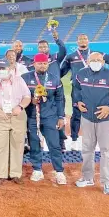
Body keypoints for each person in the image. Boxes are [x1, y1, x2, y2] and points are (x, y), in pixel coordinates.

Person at [61, 34, 109, 151]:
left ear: (88, 41)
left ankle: (98, 140)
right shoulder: (71, 56)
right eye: (80, 38)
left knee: (97, 111)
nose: (83, 40)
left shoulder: (97, 54)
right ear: (77, 41)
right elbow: (61, 71)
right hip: (78, 88)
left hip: (97, 87)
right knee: (76, 114)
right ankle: (74, 140)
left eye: (85, 38)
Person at [73, 52, 109, 195]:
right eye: (93, 60)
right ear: (87, 61)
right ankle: (87, 178)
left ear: (104, 62)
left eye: (99, 60)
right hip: (87, 118)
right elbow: (76, 89)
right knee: (87, 149)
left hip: (106, 119)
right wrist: (77, 102)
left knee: (106, 151)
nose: (96, 62)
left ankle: (106, 183)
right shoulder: (81, 74)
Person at [22, 54, 67, 185]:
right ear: (34, 64)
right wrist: (31, 101)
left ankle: (59, 171)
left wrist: (60, 117)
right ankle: (37, 169)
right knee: (34, 143)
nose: (42, 65)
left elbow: (60, 99)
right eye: (39, 63)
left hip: (50, 117)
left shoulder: (55, 79)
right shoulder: (25, 78)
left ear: (48, 64)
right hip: (32, 116)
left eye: (45, 63)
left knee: (54, 144)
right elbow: (19, 96)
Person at [0, 59, 31, 185]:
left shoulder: (19, 80)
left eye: (4, 68)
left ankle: (15, 173)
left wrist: (20, 107)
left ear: (10, 69)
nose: (2, 71)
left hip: (17, 115)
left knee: (17, 144)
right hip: (0, 116)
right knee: (0, 145)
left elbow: (27, 96)